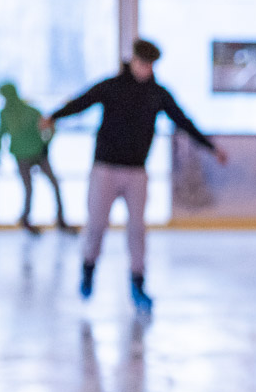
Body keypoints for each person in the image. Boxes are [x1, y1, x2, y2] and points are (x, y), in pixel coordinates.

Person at [45, 38, 226, 311]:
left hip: (136, 172)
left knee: (137, 230)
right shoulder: (112, 86)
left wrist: (211, 147)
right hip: (105, 169)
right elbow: (82, 101)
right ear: (133, 61)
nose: (145, 69)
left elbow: (182, 120)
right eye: (142, 63)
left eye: (150, 65)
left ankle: (138, 283)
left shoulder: (157, 94)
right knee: (96, 226)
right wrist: (53, 116)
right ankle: (88, 270)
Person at [0, 81, 72, 235]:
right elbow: (1, 134)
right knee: (34, 187)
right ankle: (27, 220)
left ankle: (58, 220)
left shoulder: (30, 111)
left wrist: (46, 145)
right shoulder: (11, 113)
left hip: (38, 154)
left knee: (45, 185)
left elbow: (49, 126)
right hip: (26, 155)